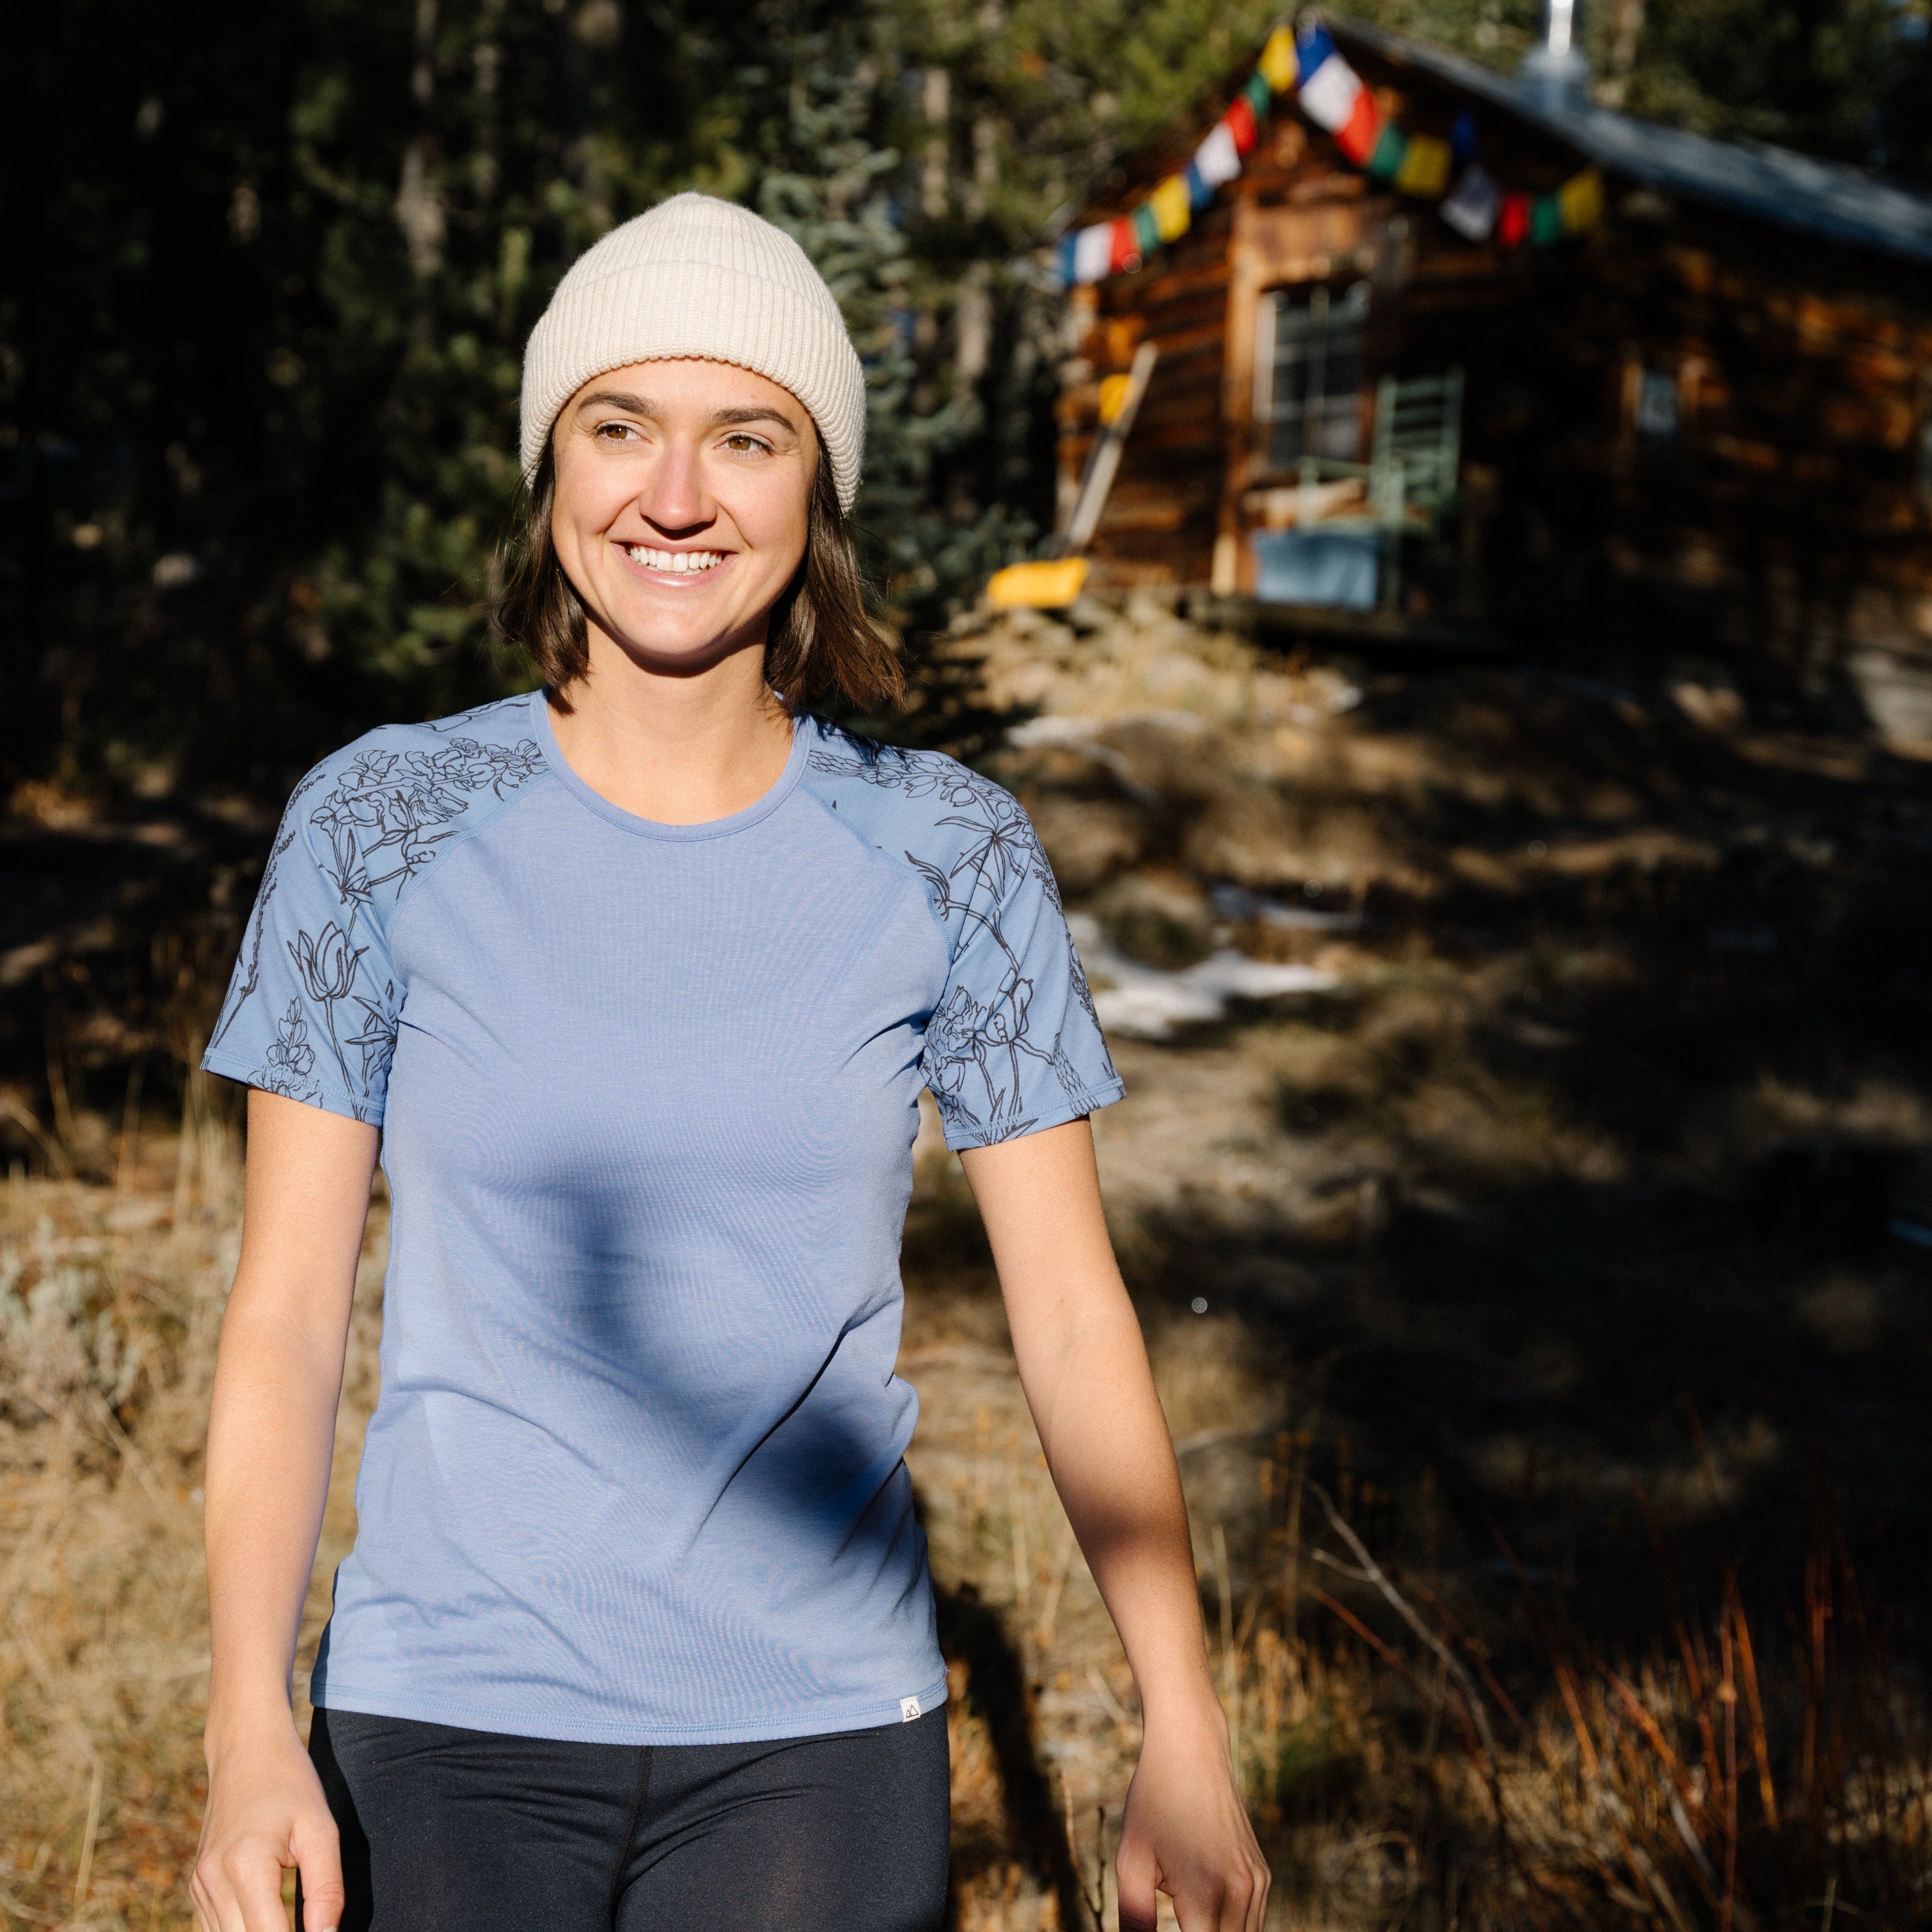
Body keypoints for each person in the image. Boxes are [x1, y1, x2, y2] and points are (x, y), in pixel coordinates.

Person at [189, 192, 1267, 1932]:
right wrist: (249, 1724)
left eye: (744, 439)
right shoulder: (376, 822)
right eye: (620, 427)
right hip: (445, 1715)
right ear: (553, 469)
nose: (675, 496)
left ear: (815, 490)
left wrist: (1186, 1722)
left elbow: (1072, 1318)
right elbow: (286, 1315)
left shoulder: (951, 852)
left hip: (818, 1739)